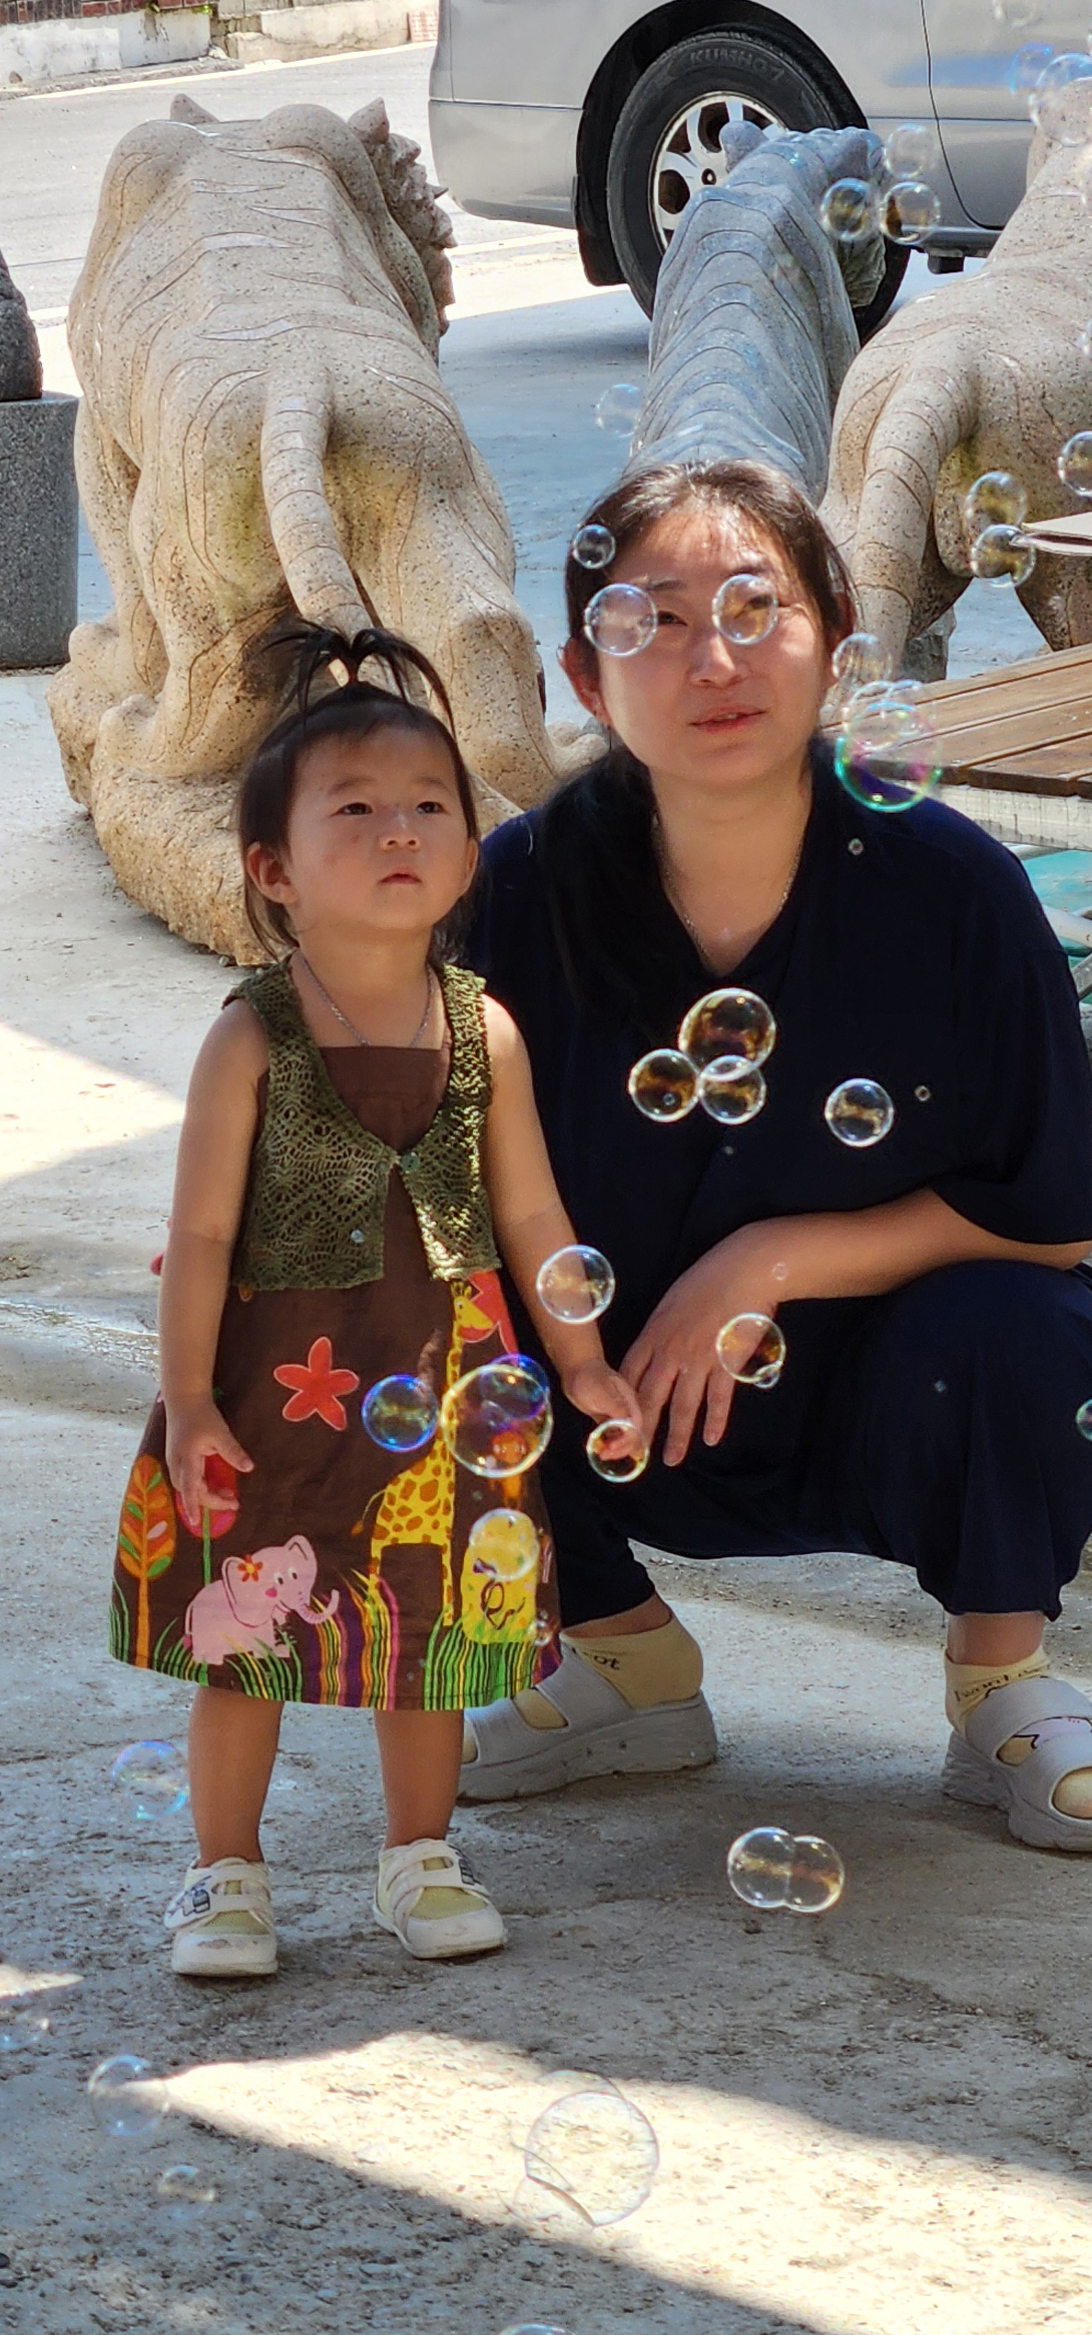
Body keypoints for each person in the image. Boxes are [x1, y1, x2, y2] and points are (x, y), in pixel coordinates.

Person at [460, 458, 1092, 1855]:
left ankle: (1001, 1687)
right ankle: (618, 1656)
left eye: (753, 608)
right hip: (608, 1397)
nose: (712, 661)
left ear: (837, 639)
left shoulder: (954, 889)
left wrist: (763, 1262)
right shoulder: (518, 889)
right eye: (654, 621)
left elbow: (1045, 1220)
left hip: (881, 1395)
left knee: (1037, 1334)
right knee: (396, 1314)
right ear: (583, 677)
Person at [111, 624, 643, 1978]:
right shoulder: (250, 1034)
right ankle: (224, 1874)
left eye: (429, 807)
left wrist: (581, 1361)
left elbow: (533, 1217)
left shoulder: (484, 1031)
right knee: (247, 1638)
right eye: (353, 810)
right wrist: (187, 1401)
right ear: (273, 870)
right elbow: (201, 1231)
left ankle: (420, 1854)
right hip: (272, 1388)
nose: (399, 830)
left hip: (446, 1382)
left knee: (431, 1629)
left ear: (468, 855)